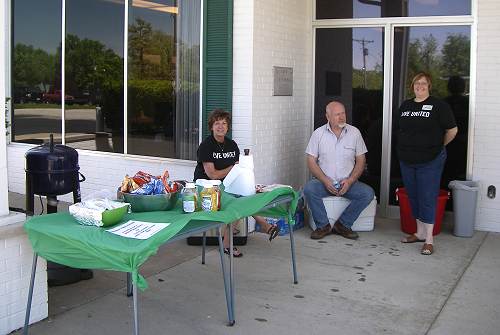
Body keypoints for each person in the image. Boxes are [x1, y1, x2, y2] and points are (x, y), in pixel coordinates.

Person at [194, 109, 280, 257]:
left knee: (246, 196)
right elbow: (212, 174)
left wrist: (248, 184)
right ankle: (232, 241)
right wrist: (233, 168)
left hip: (227, 184)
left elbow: (239, 170)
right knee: (237, 203)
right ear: (211, 126)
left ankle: (261, 228)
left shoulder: (231, 145)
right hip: (208, 187)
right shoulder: (206, 146)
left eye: (224, 123)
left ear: (228, 127)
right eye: (217, 123)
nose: (220, 126)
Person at [397, 72, 457, 255]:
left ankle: (429, 239)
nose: (420, 86)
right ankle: (419, 232)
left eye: (424, 84)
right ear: (412, 86)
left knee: (427, 197)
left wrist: (439, 146)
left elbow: (452, 130)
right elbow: (401, 128)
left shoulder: (439, 106)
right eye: (417, 83)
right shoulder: (405, 105)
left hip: (430, 159)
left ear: (429, 86)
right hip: (407, 159)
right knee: (413, 195)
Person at [304, 101, 375, 240]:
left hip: (348, 183)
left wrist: (350, 181)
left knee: (368, 193)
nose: (342, 117)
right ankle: (323, 226)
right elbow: (311, 161)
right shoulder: (318, 134)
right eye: (337, 114)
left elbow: (361, 160)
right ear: (328, 116)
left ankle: (343, 224)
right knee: (309, 189)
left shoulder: (354, 133)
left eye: (343, 113)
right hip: (324, 183)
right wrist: (325, 180)